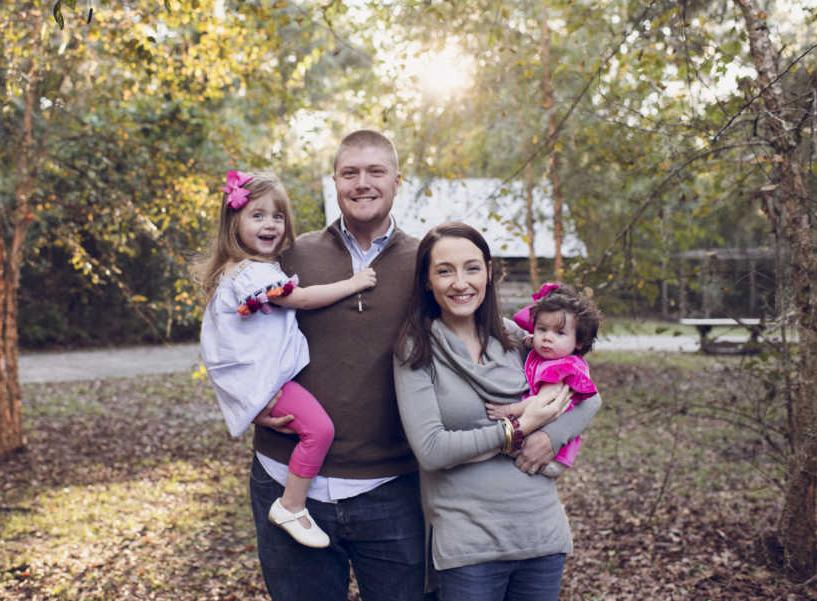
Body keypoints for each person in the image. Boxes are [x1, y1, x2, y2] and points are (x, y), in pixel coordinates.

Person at [248, 130, 428, 600]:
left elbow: (477, 334)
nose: (362, 183)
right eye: (350, 173)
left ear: (397, 180)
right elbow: (232, 329)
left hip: (390, 485)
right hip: (285, 479)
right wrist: (250, 401)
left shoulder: (425, 261)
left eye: (375, 172)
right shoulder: (290, 254)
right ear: (334, 181)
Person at [393, 222, 602, 601]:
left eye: (472, 268)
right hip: (468, 545)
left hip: (541, 534)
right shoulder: (416, 349)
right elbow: (432, 450)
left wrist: (549, 437)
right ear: (427, 280)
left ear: (489, 273)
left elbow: (590, 397)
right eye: (444, 270)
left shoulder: (518, 339)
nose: (460, 283)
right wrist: (516, 430)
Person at [196, 170, 378, 549]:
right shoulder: (252, 273)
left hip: (262, 380)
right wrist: (355, 282)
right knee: (320, 431)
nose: (270, 224)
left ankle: (292, 503)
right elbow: (303, 299)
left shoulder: (243, 270)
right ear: (234, 222)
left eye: (277, 216)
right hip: (265, 381)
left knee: (314, 429)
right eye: (257, 215)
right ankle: (292, 504)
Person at [485, 282, 602, 479]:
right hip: (550, 446)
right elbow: (525, 323)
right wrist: (534, 340)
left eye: (559, 333)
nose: (547, 338)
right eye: (542, 329)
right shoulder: (552, 355)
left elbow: (543, 403)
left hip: (551, 455)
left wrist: (508, 411)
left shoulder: (563, 368)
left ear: (579, 342)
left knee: (493, 451)